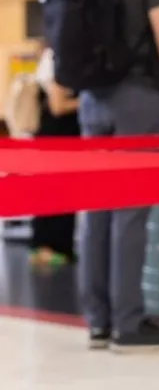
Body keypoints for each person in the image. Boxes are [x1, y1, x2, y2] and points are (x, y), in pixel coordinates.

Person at [70, 0, 159, 350]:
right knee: (130, 209)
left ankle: (98, 322)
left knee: (95, 208)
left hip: (92, 97)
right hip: (138, 95)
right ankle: (128, 323)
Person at [28, 42, 80, 269]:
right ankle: (45, 248)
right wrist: (88, 101)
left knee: (66, 195)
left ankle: (60, 247)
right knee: (50, 194)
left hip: (67, 140)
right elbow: (58, 106)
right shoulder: (54, 60)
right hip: (54, 139)